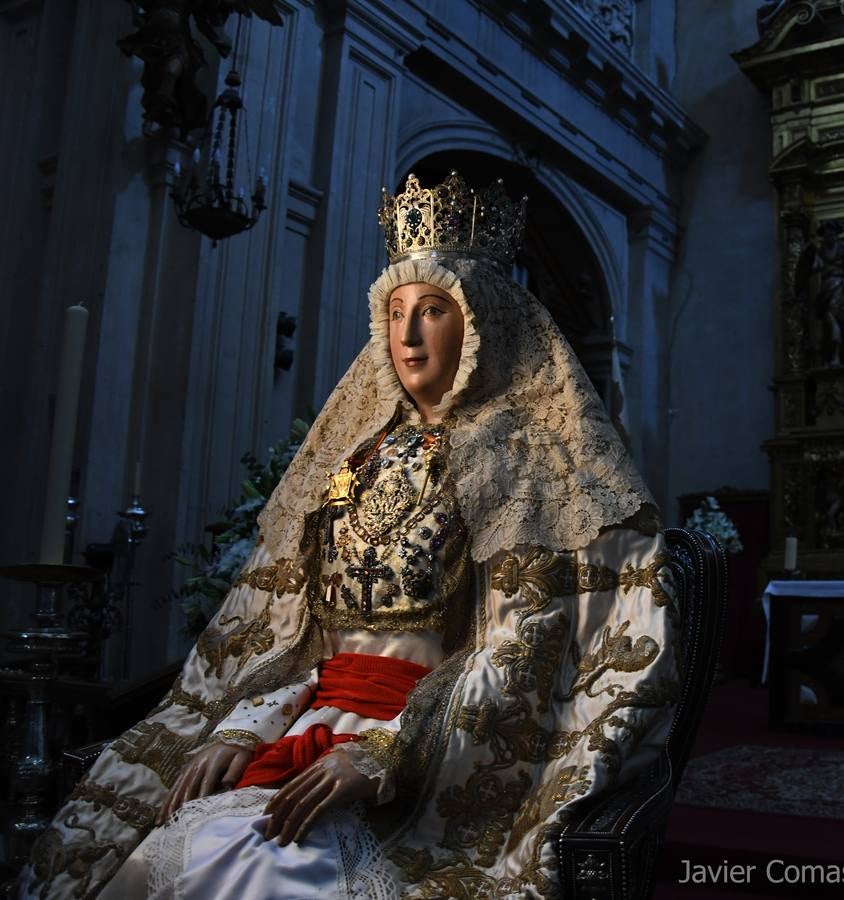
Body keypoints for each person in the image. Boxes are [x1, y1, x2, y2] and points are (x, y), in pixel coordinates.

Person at [22, 171, 681, 899]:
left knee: (269, 864)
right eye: (395, 311)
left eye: (431, 311)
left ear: (479, 321)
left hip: (431, 746)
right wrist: (244, 726)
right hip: (306, 716)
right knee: (154, 847)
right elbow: (282, 628)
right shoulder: (357, 453)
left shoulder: (525, 459)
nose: (407, 334)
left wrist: (386, 755)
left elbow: (527, 647)